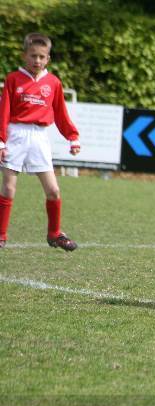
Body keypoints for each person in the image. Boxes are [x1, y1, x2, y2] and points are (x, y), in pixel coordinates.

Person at [0, 33, 80, 250]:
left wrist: (72, 137)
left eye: (42, 57)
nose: (37, 60)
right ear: (24, 55)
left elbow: (61, 114)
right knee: (8, 188)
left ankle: (54, 234)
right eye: (33, 55)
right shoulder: (13, 79)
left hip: (40, 137)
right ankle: (1, 235)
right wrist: (1, 141)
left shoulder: (53, 83)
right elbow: (4, 111)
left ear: (48, 59)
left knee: (53, 190)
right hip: (16, 134)